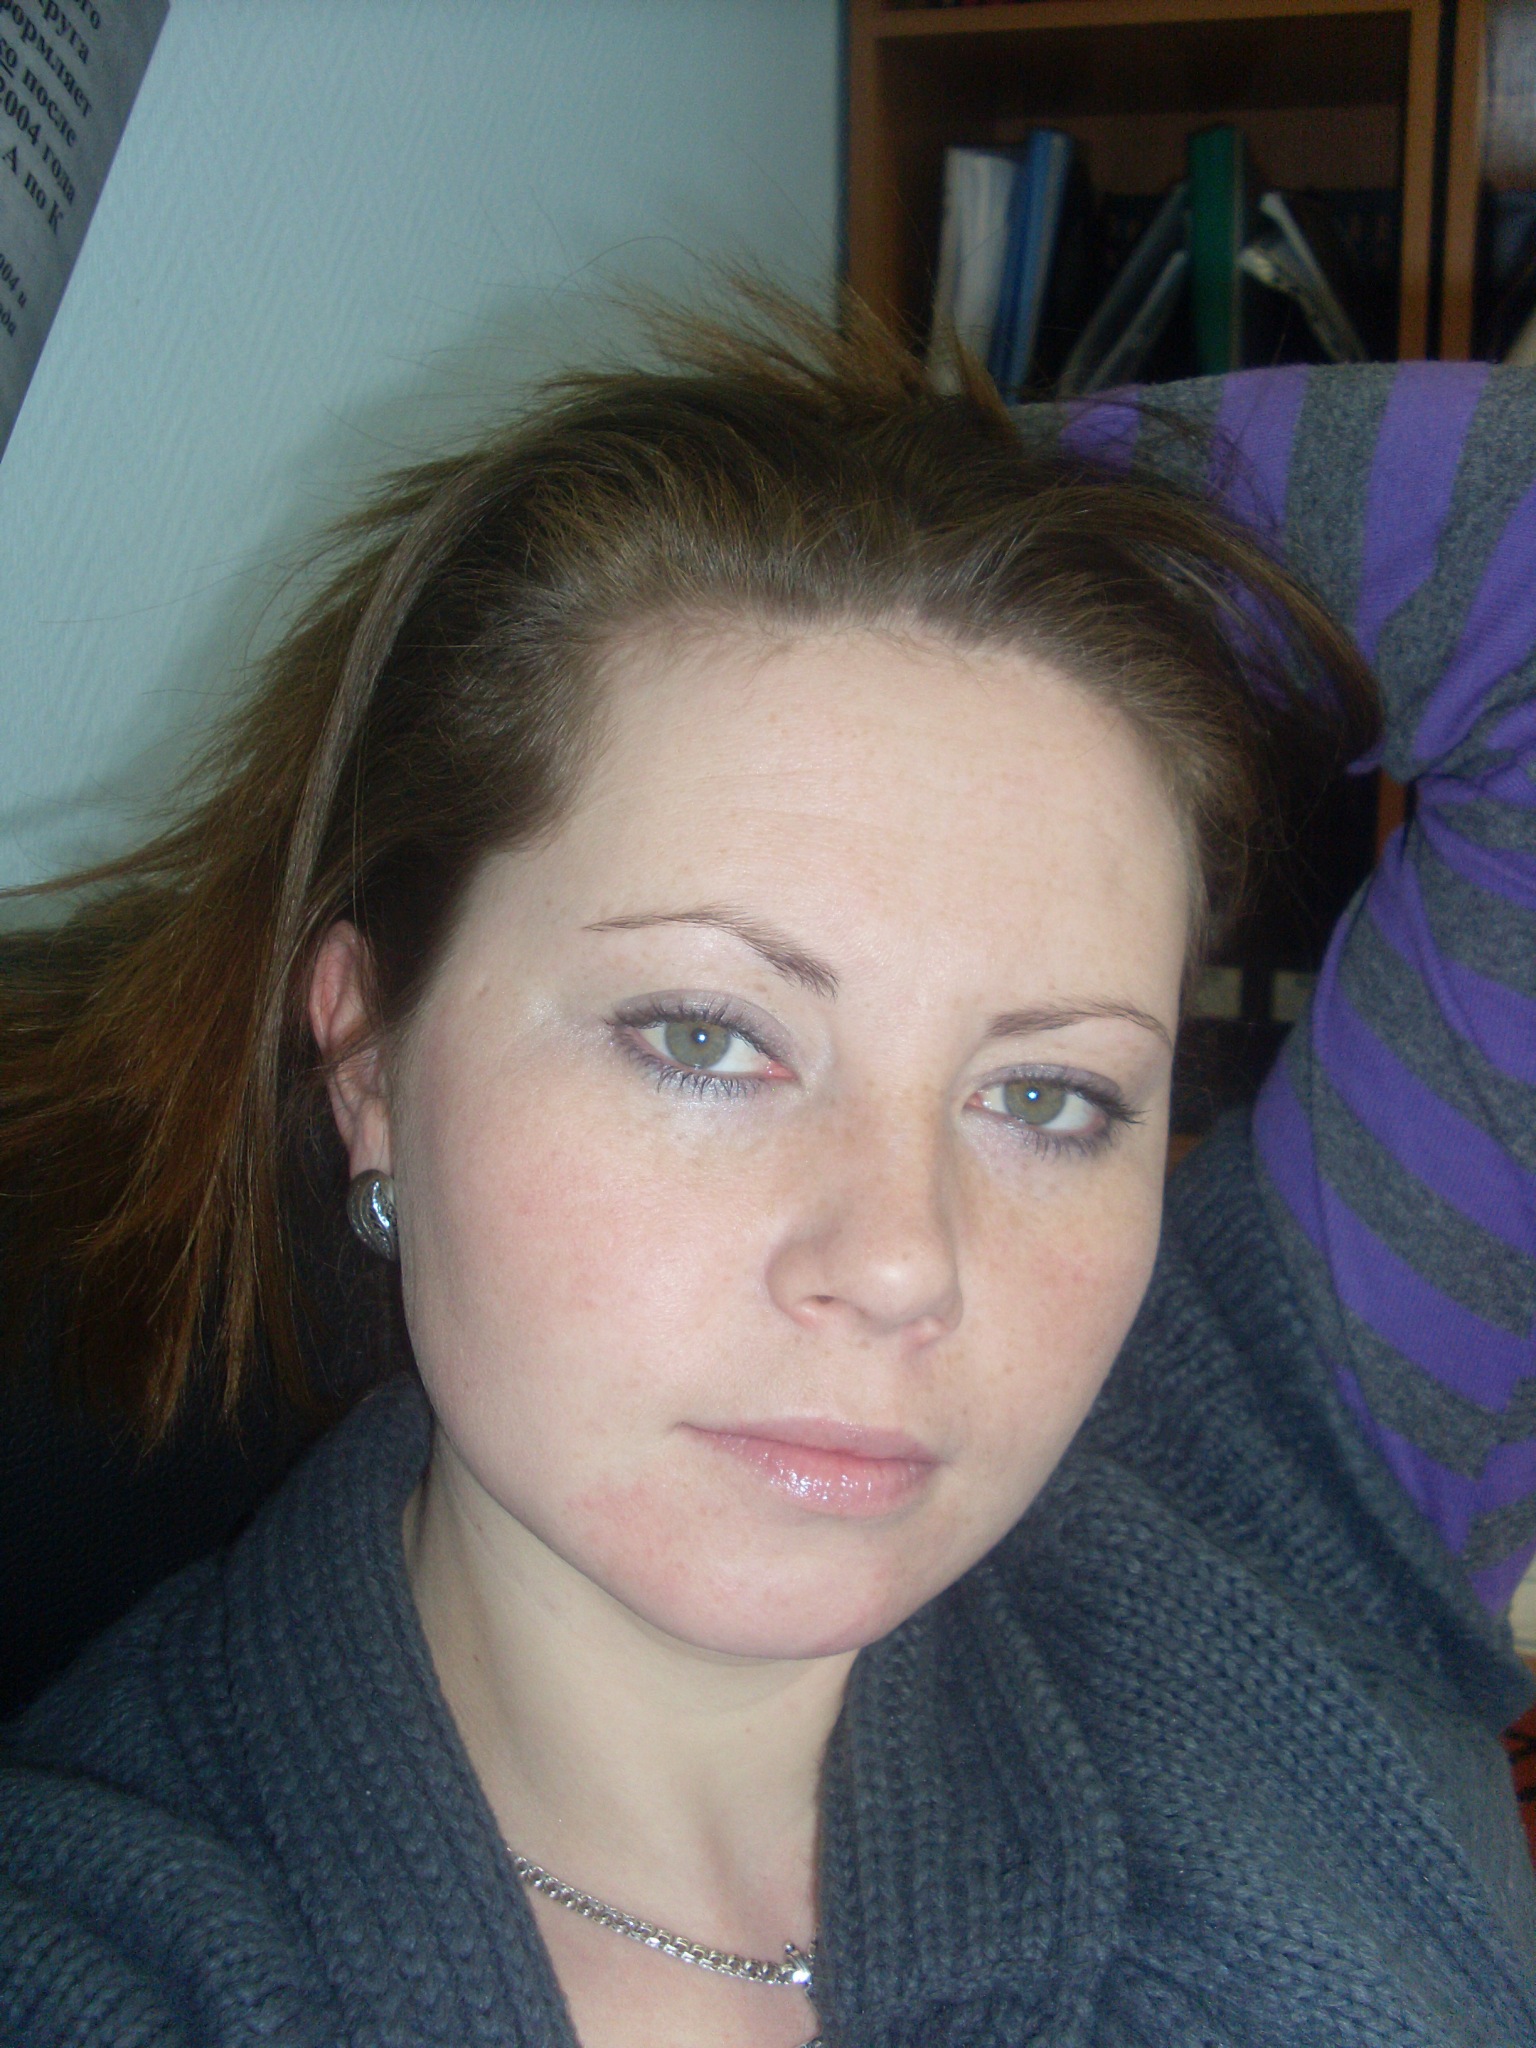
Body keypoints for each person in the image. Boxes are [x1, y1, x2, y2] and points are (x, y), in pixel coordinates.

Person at [1, 303, 1534, 2047]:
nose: (900, 1262)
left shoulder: (1288, 1478)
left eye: (1044, 1094)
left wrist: (916, 516)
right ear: (367, 1061)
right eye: (706, 1038)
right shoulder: (100, 1961)